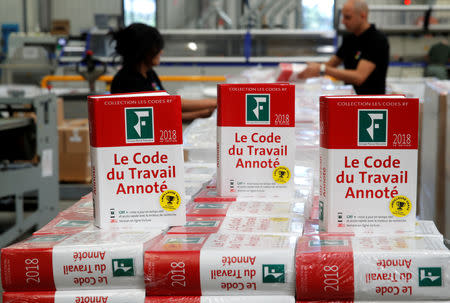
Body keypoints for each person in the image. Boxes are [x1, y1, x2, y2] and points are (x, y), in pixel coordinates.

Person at [110, 23, 217, 121]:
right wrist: (212, 106)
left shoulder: (149, 74)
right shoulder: (126, 81)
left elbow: (168, 104)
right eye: (157, 48)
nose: (161, 51)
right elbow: (163, 114)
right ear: (144, 50)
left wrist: (208, 110)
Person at [298, 0, 389, 95]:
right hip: (351, 99)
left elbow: (359, 77)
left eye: (348, 17)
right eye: (343, 17)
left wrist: (322, 69)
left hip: (372, 103)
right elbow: (330, 64)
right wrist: (307, 69)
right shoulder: (350, 39)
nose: (343, 21)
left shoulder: (377, 40)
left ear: (363, 16)